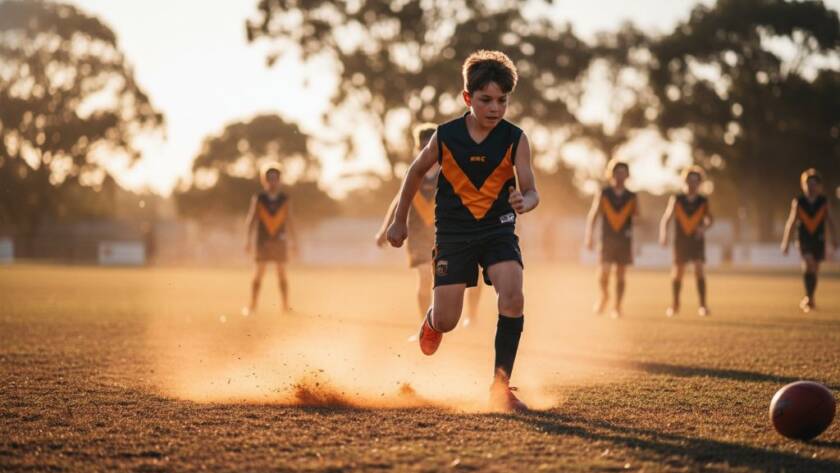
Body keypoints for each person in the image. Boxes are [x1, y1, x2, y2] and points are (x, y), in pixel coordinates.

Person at [386, 50, 539, 412]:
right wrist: (399, 219)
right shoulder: (446, 136)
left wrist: (525, 201)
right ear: (467, 98)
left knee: (513, 295)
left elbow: (532, 189)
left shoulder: (516, 139)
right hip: (453, 237)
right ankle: (432, 321)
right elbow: (414, 172)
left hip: (498, 230)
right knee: (447, 320)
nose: (495, 108)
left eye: (502, 100)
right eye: (486, 100)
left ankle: (501, 387)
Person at [376, 124, 483, 325]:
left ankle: (472, 316)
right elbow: (398, 201)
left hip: (446, 234)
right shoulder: (413, 173)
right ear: (419, 149)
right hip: (417, 234)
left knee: (469, 274)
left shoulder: (452, 171)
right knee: (426, 277)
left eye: (432, 145)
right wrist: (384, 229)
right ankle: (425, 325)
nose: (429, 150)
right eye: (423, 146)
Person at [584, 159, 638, 319]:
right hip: (607, 239)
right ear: (611, 174)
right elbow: (593, 214)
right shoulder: (604, 193)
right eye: (617, 172)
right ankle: (604, 296)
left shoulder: (632, 196)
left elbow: (636, 216)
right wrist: (589, 235)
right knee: (604, 272)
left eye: (623, 172)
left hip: (624, 240)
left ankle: (617, 306)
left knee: (621, 274)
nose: (620, 175)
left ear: (627, 175)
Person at [659, 166, 714, 317]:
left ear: (700, 183)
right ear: (685, 181)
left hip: (696, 241)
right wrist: (663, 235)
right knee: (678, 272)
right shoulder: (677, 199)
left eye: (696, 181)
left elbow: (710, 220)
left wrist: (703, 228)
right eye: (690, 181)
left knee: (699, 269)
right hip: (680, 241)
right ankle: (675, 305)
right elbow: (666, 218)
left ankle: (703, 306)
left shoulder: (703, 201)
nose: (693, 184)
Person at [243, 165, 298, 315]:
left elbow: (290, 221)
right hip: (263, 241)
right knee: (259, 273)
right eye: (270, 178)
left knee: (281, 272)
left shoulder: (285, 199)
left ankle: (285, 307)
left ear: (279, 180)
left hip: (280, 240)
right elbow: (251, 219)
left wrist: (294, 242)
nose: (273, 181)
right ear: (264, 180)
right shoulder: (259, 198)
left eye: (275, 178)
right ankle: (252, 306)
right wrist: (248, 240)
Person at [781, 168, 838, 313]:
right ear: (803, 185)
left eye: (813, 184)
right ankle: (809, 298)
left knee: (814, 270)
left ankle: (810, 298)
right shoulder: (799, 202)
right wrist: (786, 242)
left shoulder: (823, 202)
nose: (810, 187)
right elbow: (791, 222)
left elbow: (831, 221)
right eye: (808, 184)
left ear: (819, 186)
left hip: (818, 240)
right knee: (809, 264)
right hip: (804, 239)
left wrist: (835, 238)